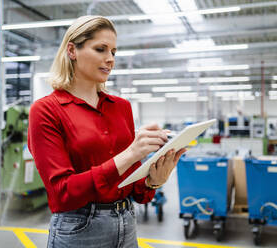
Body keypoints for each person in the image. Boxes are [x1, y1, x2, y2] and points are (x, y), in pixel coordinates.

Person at [28, 15, 186, 248]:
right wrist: (132, 153)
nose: (110, 59)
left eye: (113, 51)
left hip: (127, 222)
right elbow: (62, 193)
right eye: (101, 49)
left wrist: (153, 180)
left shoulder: (121, 107)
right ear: (72, 50)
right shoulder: (46, 110)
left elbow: (133, 187)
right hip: (79, 229)